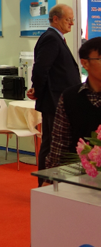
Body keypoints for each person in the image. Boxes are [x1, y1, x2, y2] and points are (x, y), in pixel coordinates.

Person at [28, 4, 81, 178]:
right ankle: (45, 181)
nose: (72, 23)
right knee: (51, 144)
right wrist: (38, 91)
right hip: (54, 100)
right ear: (56, 19)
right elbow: (41, 69)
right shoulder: (51, 38)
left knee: (55, 143)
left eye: (72, 19)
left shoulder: (57, 38)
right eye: (68, 19)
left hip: (60, 100)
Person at [46, 37, 101, 169]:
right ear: (85, 63)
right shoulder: (70, 96)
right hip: (78, 171)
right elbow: (60, 143)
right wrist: (52, 175)